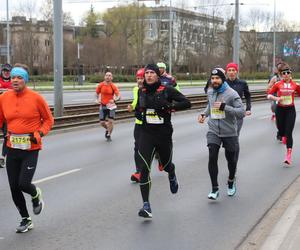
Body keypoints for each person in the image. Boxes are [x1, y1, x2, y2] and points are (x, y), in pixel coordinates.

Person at [0, 65, 54, 233]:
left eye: (19, 77)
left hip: (31, 148)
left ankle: (35, 194)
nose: (15, 80)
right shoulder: (4, 98)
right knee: (14, 187)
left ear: (25, 80)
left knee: (23, 183)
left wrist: (39, 133)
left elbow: (48, 120)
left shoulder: (36, 98)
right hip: (12, 147)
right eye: (13, 77)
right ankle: (26, 219)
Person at [136, 64, 191, 218]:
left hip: (163, 135)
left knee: (165, 166)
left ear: (157, 75)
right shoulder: (142, 91)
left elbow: (187, 103)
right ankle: (146, 205)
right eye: (146, 73)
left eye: (151, 72)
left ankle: (171, 173)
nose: (148, 75)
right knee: (144, 168)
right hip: (146, 135)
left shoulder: (167, 90)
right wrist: (139, 114)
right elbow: (138, 109)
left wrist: (169, 106)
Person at [198, 68, 245, 200]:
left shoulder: (232, 93)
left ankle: (231, 180)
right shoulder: (210, 91)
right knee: (212, 155)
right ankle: (214, 188)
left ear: (222, 79)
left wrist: (225, 107)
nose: (214, 81)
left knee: (231, 159)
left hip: (229, 132)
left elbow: (241, 112)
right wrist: (204, 114)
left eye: (217, 78)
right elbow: (210, 105)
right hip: (213, 130)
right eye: (212, 79)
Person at [267, 63, 300, 165]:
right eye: (284, 73)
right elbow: (269, 95)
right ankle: (283, 134)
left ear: (291, 74)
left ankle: (288, 156)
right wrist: (276, 98)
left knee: (289, 132)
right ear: (281, 75)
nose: (286, 74)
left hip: (290, 110)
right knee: (281, 130)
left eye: (288, 73)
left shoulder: (295, 85)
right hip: (280, 110)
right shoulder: (278, 84)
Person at [225, 62, 251, 163]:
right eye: (229, 70)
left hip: (238, 114)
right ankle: (230, 159)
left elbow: (248, 96)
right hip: (226, 114)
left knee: (235, 138)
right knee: (228, 140)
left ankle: (234, 163)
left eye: (233, 70)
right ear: (226, 72)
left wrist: (248, 108)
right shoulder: (223, 83)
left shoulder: (242, 83)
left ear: (236, 71)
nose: (231, 72)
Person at [128, 68, 144, 183]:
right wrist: (131, 106)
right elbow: (135, 102)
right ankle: (138, 171)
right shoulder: (135, 89)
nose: (139, 80)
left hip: (149, 123)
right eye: (138, 78)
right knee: (137, 147)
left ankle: (161, 158)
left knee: (149, 147)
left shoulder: (151, 90)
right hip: (138, 123)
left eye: (141, 78)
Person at [96, 71, 121, 141]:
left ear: (112, 78)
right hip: (103, 105)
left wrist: (115, 100)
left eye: (109, 75)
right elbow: (96, 93)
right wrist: (96, 99)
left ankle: (109, 135)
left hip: (111, 106)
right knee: (102, 122)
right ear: (104, 77)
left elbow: (119, 96)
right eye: (107, 75)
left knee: (110, 121)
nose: (108, 77)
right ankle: (108, 129)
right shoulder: (101, 85)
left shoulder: (113, 86)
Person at [0, 63, 12, 168]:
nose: (6, 73)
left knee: (6, 136)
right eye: (4, 71)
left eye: (7, 71)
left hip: (8, 114)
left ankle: (2, 157)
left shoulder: (14, 82)